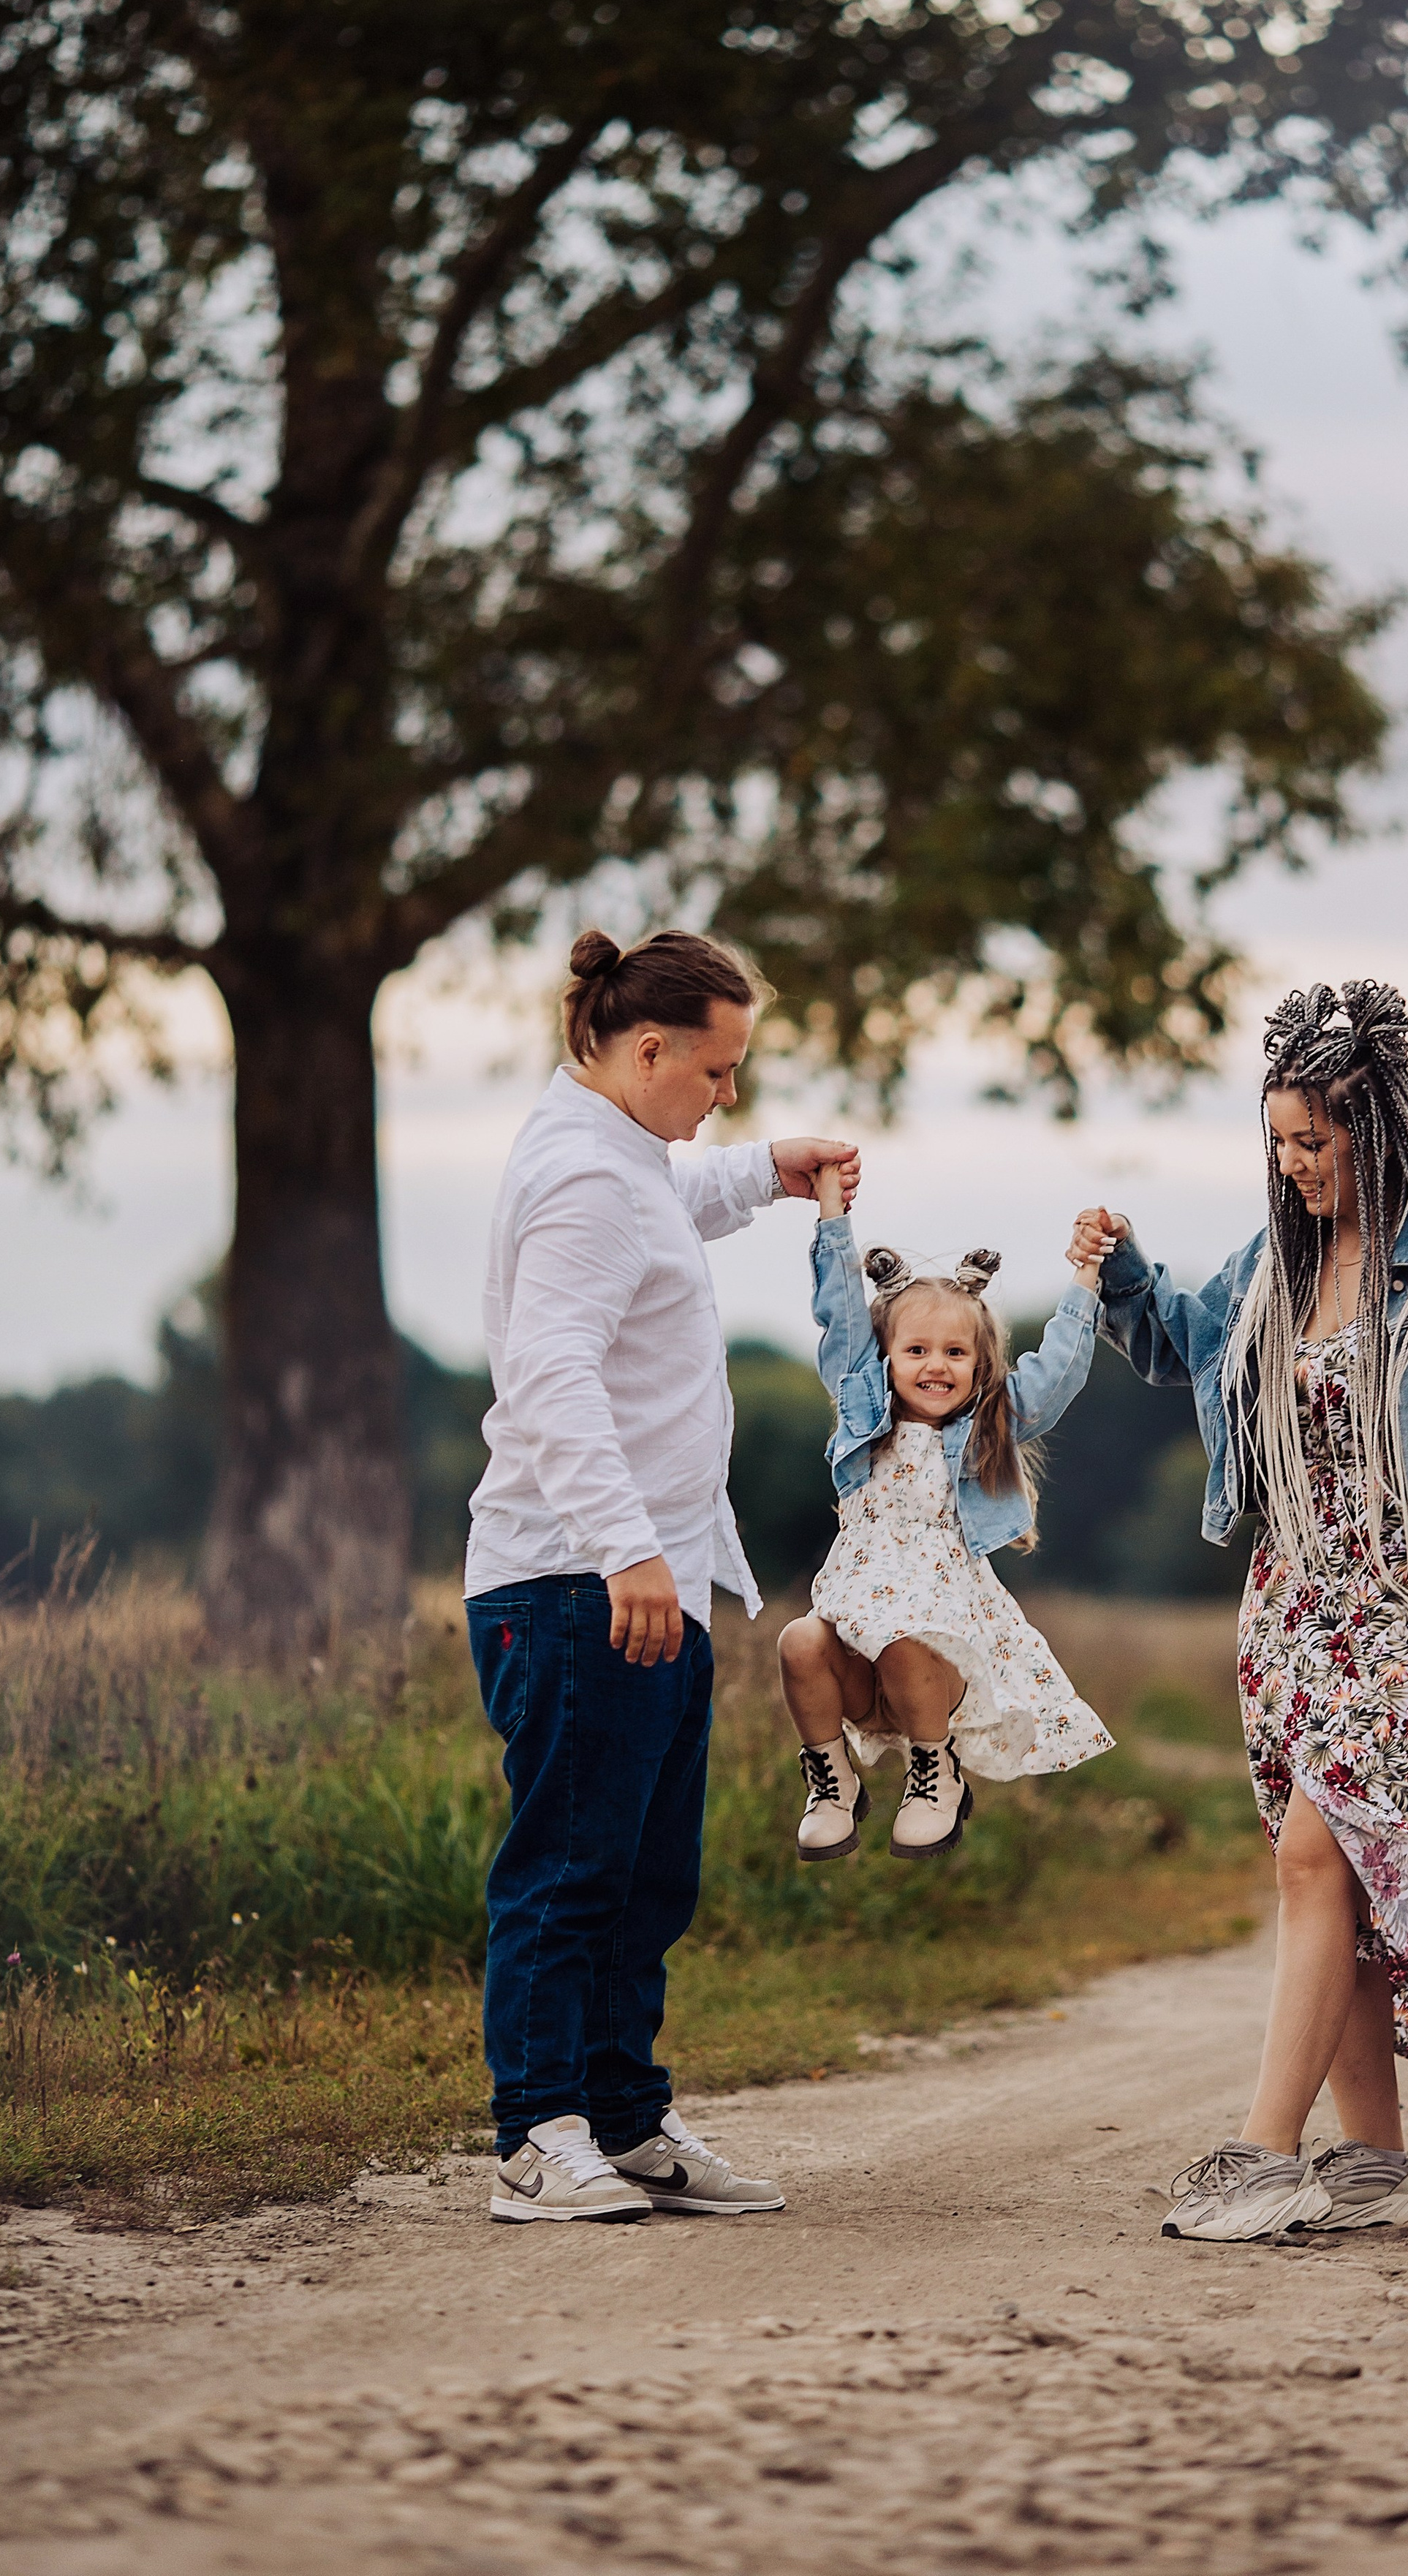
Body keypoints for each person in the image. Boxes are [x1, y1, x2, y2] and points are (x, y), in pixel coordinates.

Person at [1070, 980, 1408, 2244]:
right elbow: (1178, 1347)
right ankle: (1376, 2164)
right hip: (1290, 1614)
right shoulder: (1274, 1265)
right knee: (1346, 1881)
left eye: (1313, 1142)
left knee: (1322, 1857)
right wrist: (1120, 1273)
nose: (1292, 1163)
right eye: (1278, 1141)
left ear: (1374, 1136)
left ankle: (1264, 2155)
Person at [465, 926, 860, 2226]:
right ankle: (537, 2138)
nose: (727, 1093)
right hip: (582, 1583)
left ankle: (625, 2124)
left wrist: (766, 1173)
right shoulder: (582, 1177)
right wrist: (624, 1546)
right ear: (645, 1049)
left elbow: (667, 1198)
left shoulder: (612, 1154)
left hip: (650, 1581)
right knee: (573, 1870)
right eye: (719, 1071)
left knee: (646, 1877)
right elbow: (551, 1372)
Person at [776, 1166, 1114, 1863]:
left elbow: (1054, 1376)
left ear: (979, 1363)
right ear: (886, 1357)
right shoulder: (862, 1411)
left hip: (938, 1650)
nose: (938, 1366)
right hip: (855, 1635)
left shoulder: (984, 1426)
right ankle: (831, 1779)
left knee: (905, 1637)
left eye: (956, 1353)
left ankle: (936, 1774)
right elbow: (840, 1313)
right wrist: (833, 1213)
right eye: (917, 1351)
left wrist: (1085, 1278)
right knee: (797, 1643)